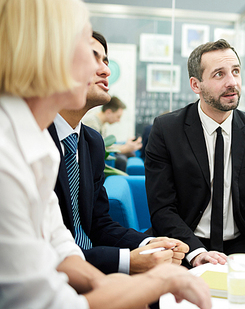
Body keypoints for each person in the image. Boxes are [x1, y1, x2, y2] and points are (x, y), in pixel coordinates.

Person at [0, 0, 211, 309]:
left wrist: (115, 282)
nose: (103, 69)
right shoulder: (5, 156)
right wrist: (156, 279)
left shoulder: (35, 140)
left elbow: (62, 248)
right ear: (49, 53)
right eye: (89, 48)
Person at [145, 39, 245, 267]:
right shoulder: (167, 130)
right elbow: (162, 207)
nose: (232, 82)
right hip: (185, 243)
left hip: (241, 244)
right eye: (219, 74)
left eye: (236, 71)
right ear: (196, 85)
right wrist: (196, 252)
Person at [48, 30, 189, 274]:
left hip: (91, 266)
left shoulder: (91, 142)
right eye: (93, 59)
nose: (106, 70)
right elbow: (45, 250)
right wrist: (127, 262)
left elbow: (98, 223)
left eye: (105, 60)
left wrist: (147, 245)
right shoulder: (32, 140)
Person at [83, 96, 142, 171]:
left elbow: (105, 145)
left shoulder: (102, 124)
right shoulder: (92, 122)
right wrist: (124, 149)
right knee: (121, 160)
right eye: (118, 116)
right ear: (108, 112)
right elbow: (97, 149)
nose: (118, 120)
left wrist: (125, 146)